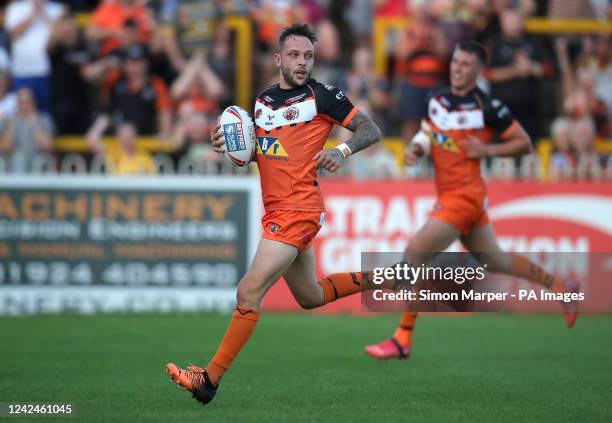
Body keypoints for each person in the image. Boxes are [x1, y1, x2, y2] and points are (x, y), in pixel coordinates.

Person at [165, 23, 385, 405]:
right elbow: (261, 152)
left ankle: (209, 380)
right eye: (296, 55)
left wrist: (341, 151)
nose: (303, 63)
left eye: (309, 56)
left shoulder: (324, 96)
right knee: (310, 296)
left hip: (299, 209)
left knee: (248, 291)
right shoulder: (264, 101)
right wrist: (232, 146)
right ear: (279, 59)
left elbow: (371, 129)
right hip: (278, 209)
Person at [364, 41, 580, 361]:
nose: (457, 68)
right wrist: (418, 147)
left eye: (465, 64)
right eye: (454, 61)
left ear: (479, 70)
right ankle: (562, 285)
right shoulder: (436, 98)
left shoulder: (487, 106)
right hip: (456, 196)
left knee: (415, 253)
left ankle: (402, 339)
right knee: (497, 261)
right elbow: (428, 130)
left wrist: (488, 150)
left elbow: (524, 144)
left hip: (464, 196)